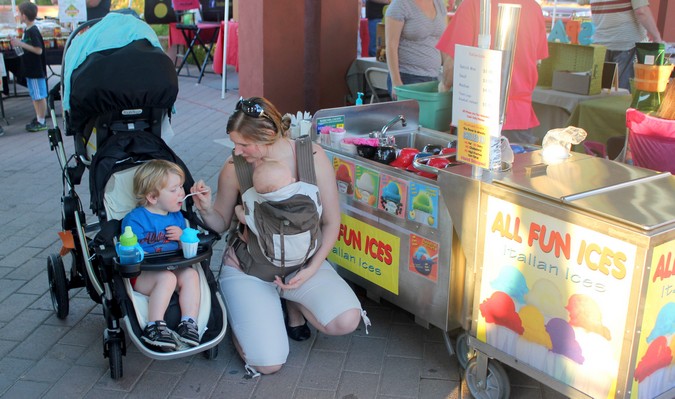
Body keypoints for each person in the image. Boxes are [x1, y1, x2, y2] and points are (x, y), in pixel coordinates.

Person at [190, 97, 367, 376]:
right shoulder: (235, 166)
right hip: (250, 268)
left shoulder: (312, 157)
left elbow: (332, 223)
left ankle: (289, 300)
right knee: (268, 363)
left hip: (301, 266)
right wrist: (204, 209)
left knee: (346, 320)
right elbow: (221, 222)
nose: (236, 150)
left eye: (243, 144)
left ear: (269, 136)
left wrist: (312, 269)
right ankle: (246, 309)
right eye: (234, 143)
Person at [436, 0, 548, 145]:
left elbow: (453, 63)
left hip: (476, 115)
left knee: (470, 168)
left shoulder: (474, 4)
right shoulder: (533, 7)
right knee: (516, 167)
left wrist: (444, 85)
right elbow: (535, 60)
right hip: (519, 117)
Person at [121, 160, 201, 352]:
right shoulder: (135, 220)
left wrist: (183, 238)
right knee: (167, 278)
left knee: (191, 275)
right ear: (152, 197)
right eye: (174, 190)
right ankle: (154, 326)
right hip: (144, 275)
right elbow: (131, 250)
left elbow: (187, 245)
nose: (182, 193)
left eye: (181, 186)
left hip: (173, 266)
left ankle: (189, 322)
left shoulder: (176, 216)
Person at [578, 0, 663, 92]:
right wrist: (657, 37)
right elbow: (641, 11)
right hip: (627, 44)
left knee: (601, 92)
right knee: (623, 93)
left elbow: (581, 2)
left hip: (600, 43)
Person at [384, 0, 447, 99]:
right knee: (410, 114)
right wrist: (396, 82)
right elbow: (391, 45)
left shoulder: (439, 4)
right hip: (408, 77)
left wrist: (448, 75)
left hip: (435, 77)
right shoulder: (400, 4)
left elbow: (443, 42)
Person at [11, 2, 48, 133]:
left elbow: (38, 50)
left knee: (39, 95)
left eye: (19, 13)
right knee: (34, 95)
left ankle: (42, 120)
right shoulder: (27, 30)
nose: (17, 15)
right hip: (30, 69)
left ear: (24, 16)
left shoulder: (33, 31)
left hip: (35, 69)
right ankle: (38, 118)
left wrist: (20, 44)